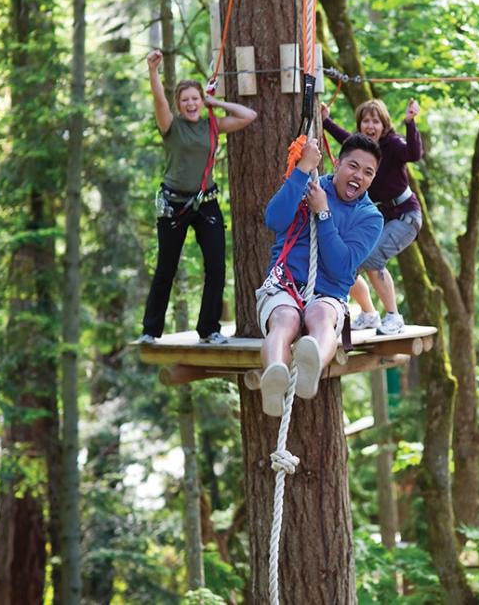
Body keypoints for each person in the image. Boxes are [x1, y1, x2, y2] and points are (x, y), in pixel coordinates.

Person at [256, 135, 383, 416]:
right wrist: (301, 170)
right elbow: (274, 220)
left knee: (322, 317)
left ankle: (311, 367)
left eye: (367, 172)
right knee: (284, 319)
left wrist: (323, 214)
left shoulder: (370, 217)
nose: (358, 176)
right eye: (353, 166)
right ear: (337, 163)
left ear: (372, 180)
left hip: (328, 293)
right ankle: (275, 372)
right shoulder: (308, 185)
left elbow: (341, 266)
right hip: (285, 284)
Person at [138, 49, 257, 345]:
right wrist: (153, 71)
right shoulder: (172, 127)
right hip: (174, 205)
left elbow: (248, 116)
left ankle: (209, 329)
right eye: (185, 100)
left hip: (206, 204)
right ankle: (151, 331)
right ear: (179, 105)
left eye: (195, 99)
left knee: (216, 265)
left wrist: (215, 101)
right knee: (167, 267)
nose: (191, 104)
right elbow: (159, 101)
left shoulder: (212, 125)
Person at [321, 97, 423, 335]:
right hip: (384, 217)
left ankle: (394, 316)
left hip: (405, 215)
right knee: (349, 261)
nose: (370, 126)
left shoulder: (394, 144)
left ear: (384, 125)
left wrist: (410, 123)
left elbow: (414, 153)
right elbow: (344, 140)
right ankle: (368, 313)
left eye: (375, 121)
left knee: (373, 258)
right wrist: (325, 121)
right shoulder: (363, 151)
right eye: (365, 121)